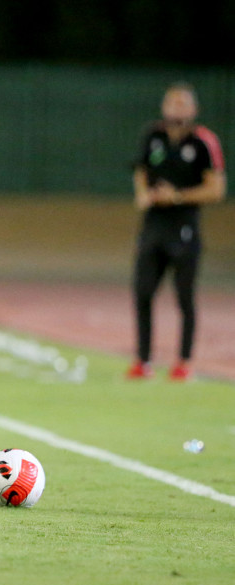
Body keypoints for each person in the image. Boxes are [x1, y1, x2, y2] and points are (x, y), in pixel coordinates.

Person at [127, 82, 226, 381]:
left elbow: (217, 189)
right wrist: (143, 193)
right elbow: (141, 171)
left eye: (183, 104)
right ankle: (142, 361)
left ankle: (184, 362)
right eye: (172, 103)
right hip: (153, 226)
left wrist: (178, 196)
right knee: (142, 291)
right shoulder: (153, 135)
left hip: (184, 227)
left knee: (184, 297)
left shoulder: (203, 142)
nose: (177, 109)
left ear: (194, 109)